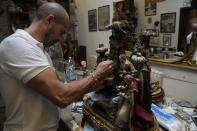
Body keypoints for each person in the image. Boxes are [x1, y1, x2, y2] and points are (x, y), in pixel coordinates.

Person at [0, 2, 113, 131]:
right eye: (61, 32)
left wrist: (93, 86)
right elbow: (61, 96)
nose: (61, 39)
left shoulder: (39, 49)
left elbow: (58, 90)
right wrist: (96, 75)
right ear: (50, 20)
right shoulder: (17, 45)